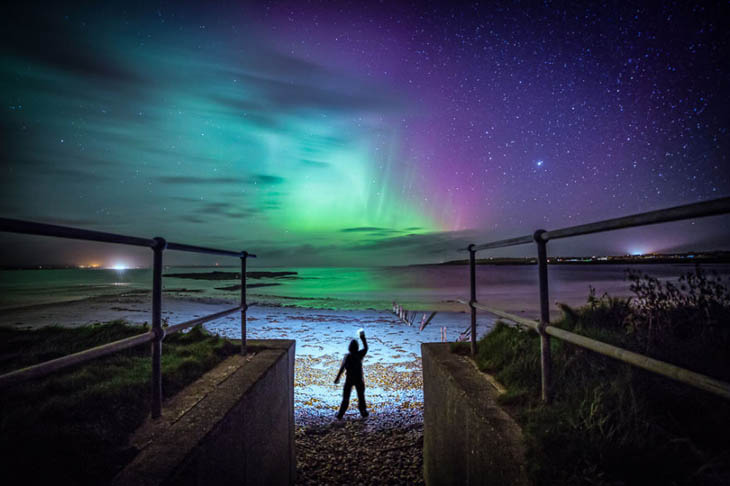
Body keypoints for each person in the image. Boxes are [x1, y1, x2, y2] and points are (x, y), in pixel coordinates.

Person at [334, 329, 369, 419]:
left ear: (349, 348)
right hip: (359, 379)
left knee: (345, 398)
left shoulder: (347, 356)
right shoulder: (360, 354)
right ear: (357, 347)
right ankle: (363, 412)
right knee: (361, 397)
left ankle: (340, 414)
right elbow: (366, 348)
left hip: (349, 380)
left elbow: (342, 368)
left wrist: (337, 378)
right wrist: (363, 337)